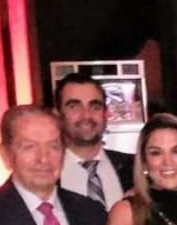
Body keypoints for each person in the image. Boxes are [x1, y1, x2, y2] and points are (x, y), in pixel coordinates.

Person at [55, 72, 135, 210]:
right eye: (74, 106)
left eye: (95, 106)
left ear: (106, 113)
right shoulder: (46, 174)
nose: (86, 115)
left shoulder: (133, 168)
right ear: (57, 114)